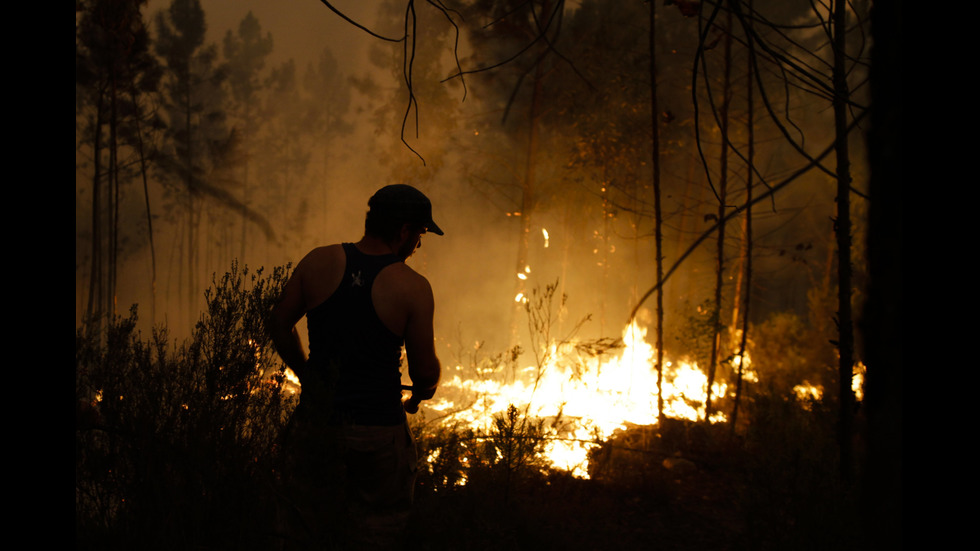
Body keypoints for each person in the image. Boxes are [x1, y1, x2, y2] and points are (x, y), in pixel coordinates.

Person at [268, 184, 443, 550]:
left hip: (316, 424)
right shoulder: (412, 287)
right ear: (403, 231)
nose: (419, 245)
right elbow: (424, 373)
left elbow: (279, 323)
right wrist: (421, 394)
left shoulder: (318, 261)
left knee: (302, 527)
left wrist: (306, 375)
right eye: (421, 233)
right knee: (376, 531)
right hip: (378, 434)